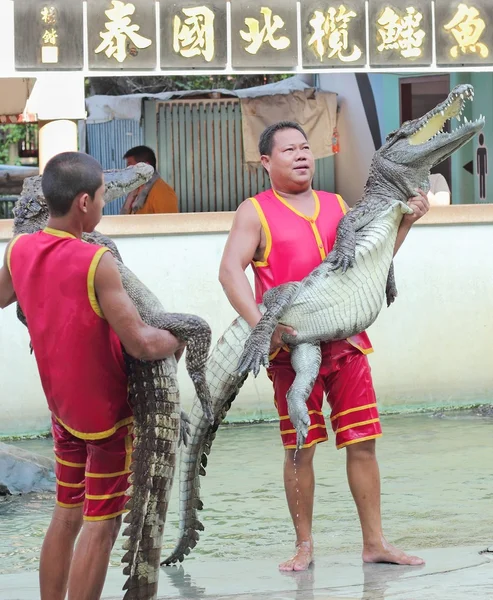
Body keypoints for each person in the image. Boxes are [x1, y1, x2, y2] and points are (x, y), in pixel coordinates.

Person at [218, 122, 430, 572]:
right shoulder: (254, 211)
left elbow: (378, 257)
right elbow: (230, 272)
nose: (301, 156)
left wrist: (408, 220)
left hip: (347, 344)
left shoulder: (337, 204)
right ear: (267, 162)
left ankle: (375, 542)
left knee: (364, 442)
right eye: (289, 150)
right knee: (301, 447)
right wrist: (263, 327)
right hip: (290, 348)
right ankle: (304, 545)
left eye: (305, 148)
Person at [0, 152, 184, 600]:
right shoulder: (96, 261)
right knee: (101, 526)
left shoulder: (19, 248)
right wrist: (179, 339)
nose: (104, 204)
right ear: (84, 202)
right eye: (102, 196)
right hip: (107, 418)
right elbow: (140, 341)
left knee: (66, 513)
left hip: (62, 411)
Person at [120, 145, 179, 214]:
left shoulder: (163, 192)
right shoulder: (135, 189)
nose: (127, 170)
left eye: (130, 166)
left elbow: (169, 223)